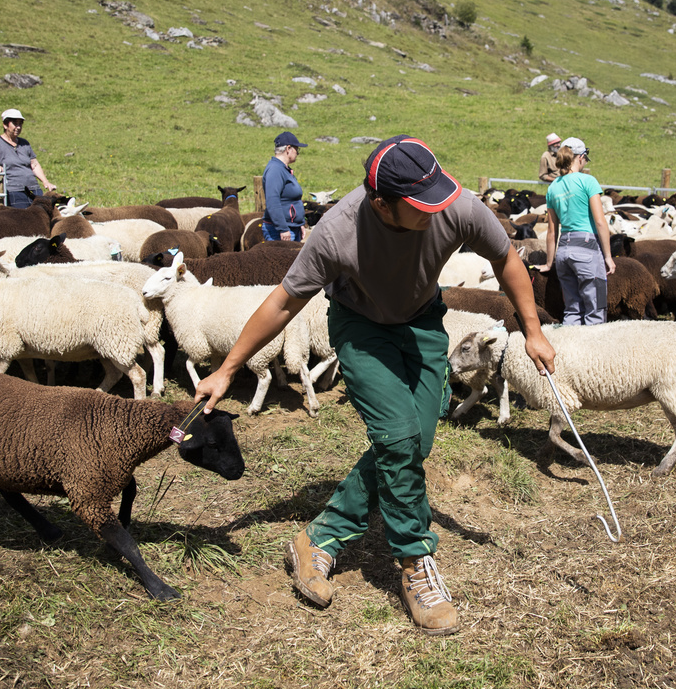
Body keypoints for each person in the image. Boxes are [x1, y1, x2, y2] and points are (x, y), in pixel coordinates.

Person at [194, 135, 554, 636]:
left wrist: (533, 331)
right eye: (422, 204)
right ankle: (415, 562)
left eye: (440, 195)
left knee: (413, 440)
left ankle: (318, 537)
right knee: (400, 438)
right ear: (381, 203)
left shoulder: (456, 204)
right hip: (361, 327)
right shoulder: (338, 233)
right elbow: (282, 302)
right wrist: (228, 368)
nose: (439, 209)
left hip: (424, 321)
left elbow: (508, 260)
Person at [539, 137, 615, 324]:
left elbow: (551, 231)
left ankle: (569, 352)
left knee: (572, 309)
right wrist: (608, 256)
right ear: (580, 157)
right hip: (587, 249)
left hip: (563, 251)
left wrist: (550, 263)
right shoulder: (588, 181)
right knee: (596, 308)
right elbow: (600, 221)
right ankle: (592, 352)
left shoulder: (553, 187)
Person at [0, 108, 56, 208]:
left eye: (20, 124)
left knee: (42, 217)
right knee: (23, 219)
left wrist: (45, 182)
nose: (18, 127)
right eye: (15, 124)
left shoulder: (24, 143)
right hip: (14, 190)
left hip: (33, 189)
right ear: (5, 125)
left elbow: (34, 164)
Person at [262, 131, 307, 241]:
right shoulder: (275, 170)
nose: (297, 153)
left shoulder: (283, 169)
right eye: (297, 149)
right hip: (281, 231)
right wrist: (282, 228)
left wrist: (299, 224)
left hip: (291, 228)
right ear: (288, 149)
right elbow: (273, 200)